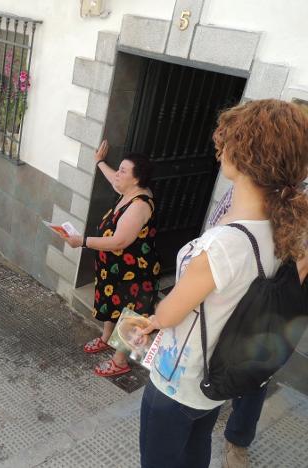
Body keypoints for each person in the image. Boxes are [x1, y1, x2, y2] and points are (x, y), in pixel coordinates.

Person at [138, 99, 308, 468]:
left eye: (228, 140)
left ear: (245, 153)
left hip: (175, 382)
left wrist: (152, 319)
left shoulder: (220, 246)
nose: (221, 146)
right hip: (214, 380)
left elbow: (169, 314)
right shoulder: (281, 230)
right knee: (196, 449)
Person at [209, 180, 308, 468]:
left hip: (280, 301)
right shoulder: (244, 187)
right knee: (214, 361)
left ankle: (237, 440)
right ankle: (204, 413)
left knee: (257, 374)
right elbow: (216, 231)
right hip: (238, 291)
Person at [62, 140, 160, 377]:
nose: (117, 174)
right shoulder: (127, 192)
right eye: (119, 169)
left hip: (136, 273)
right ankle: (106, 338)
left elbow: (119, 242)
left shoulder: (139, 204)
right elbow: (112, 179)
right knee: (114, 304)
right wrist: (99, 162)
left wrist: (83, 241)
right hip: (114, 270)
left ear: (136, 179)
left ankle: (120, 361)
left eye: (123, 171)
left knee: (131, 316)